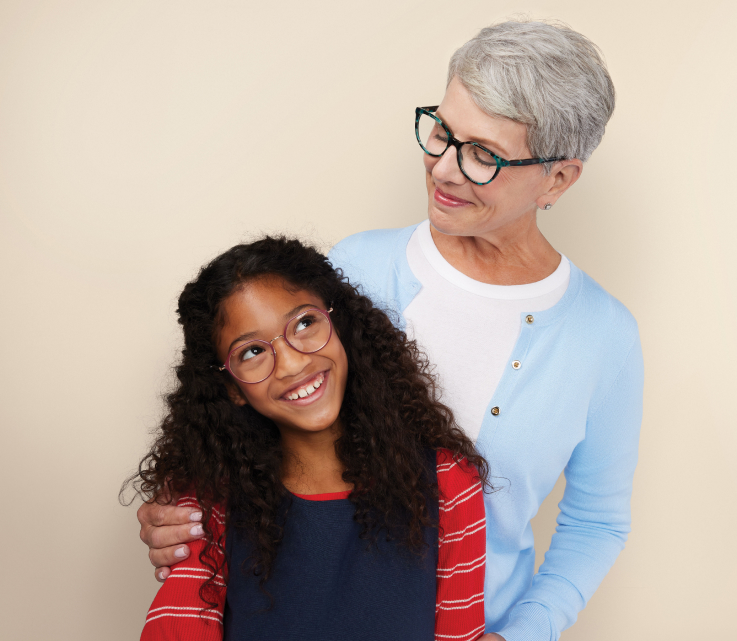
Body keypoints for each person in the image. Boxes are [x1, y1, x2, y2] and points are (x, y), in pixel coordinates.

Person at [138, 20, 643, 641]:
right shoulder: (355, 269)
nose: (444, 169)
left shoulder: (603, 337)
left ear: (557, 179)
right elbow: (248, 430)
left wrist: (524, 633)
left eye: (483, 155)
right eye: (443, 132)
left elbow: (597, 523)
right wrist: (185, 519)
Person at [127, 236, 488, 640]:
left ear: (339, 323)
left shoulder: (449, 483)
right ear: (231, 388)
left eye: (304, 323)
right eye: (252, 352)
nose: (292, 364)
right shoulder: (209, 501)